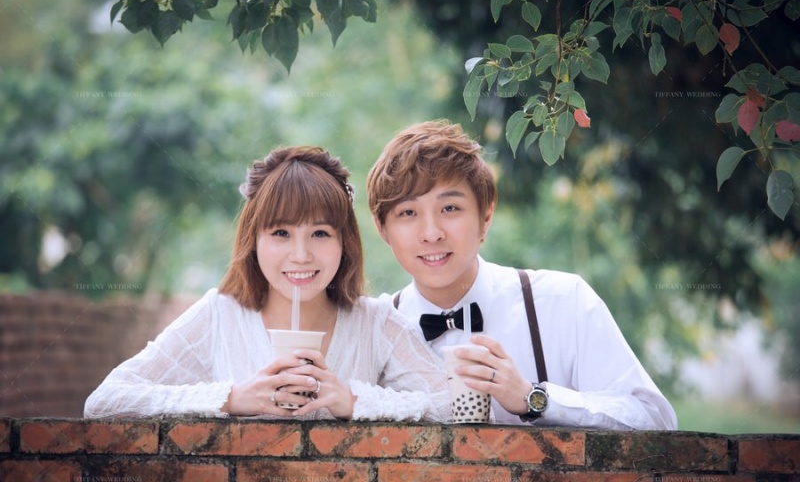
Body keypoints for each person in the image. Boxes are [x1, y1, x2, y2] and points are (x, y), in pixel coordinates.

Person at [84, 146, 450, 422]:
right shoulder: (220, 316)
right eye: (281, 233)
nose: (301, 255)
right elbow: (106, 401)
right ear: (254, 240)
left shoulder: (374, 322)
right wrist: (231, 399)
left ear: (344, 242)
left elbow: (452, 405)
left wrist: (354, 400)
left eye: (320, 233)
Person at [366, 120, 677, 430]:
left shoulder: (561, 301)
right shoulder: (373, 330)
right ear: (382, 228)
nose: (432, 233)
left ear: (486, 216)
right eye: (408, 213)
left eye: (450, 208)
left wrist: (534, 398)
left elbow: (656, 420)